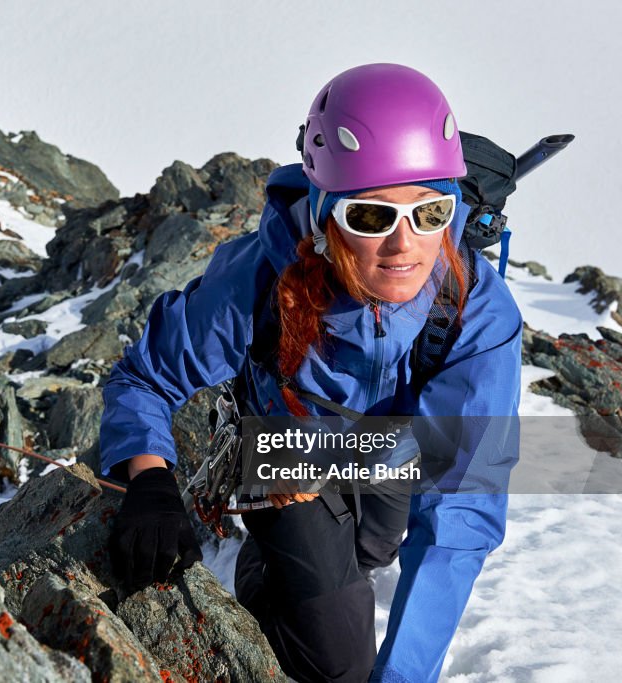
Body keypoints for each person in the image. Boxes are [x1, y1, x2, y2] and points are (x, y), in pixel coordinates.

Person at [100, 63, 521, 683]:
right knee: (341, 666)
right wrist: (149, 482)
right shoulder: (259, 278)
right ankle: (275, 572)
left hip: (392, 456)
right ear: (326, 214)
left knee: (372, 548)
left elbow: (462, 504)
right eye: (372, 218)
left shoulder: (476, 312)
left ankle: (299, 570)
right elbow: (144, 379)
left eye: (431, 213)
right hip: (285, 453)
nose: (404, 245)